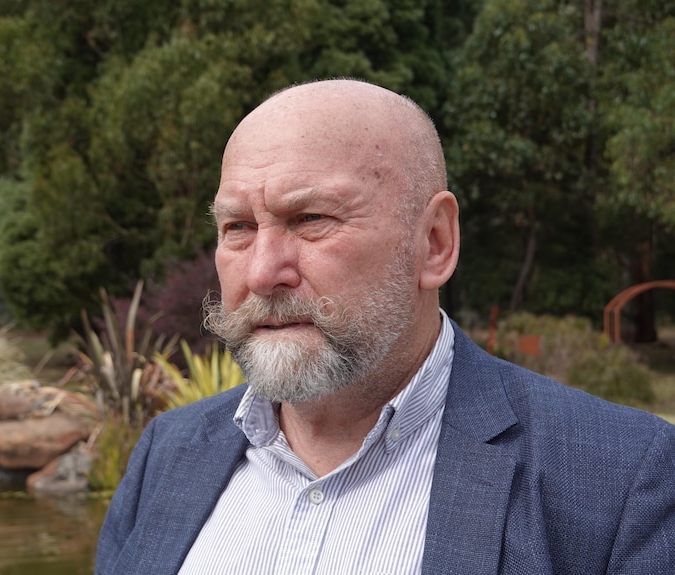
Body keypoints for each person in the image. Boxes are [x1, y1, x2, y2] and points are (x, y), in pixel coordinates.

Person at [94, 79, 675, 575]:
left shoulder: (618, 479)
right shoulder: (163, 456)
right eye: (238, 226)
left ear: (434, 243)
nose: (264, 271)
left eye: (311, 219)